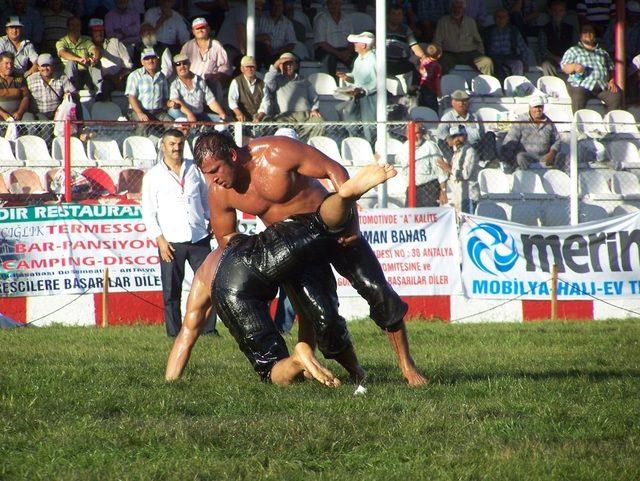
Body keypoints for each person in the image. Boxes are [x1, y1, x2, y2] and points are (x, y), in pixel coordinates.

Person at [193, 131, 427, 385]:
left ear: (232, 154)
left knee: (378, 291)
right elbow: (227, 237)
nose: (212, 178)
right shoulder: (219, 191)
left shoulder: (275, 152)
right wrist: (264, 261)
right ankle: (357, 373)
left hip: (333, 227)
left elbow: (334, 169)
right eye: (207, 173)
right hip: (296, 248)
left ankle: (407, 365)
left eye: (215, 169)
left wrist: (352, 224)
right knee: (324, 319)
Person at [165, 162, 397, 385]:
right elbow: (303, 310)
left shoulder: (206, 272)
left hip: (230, 285)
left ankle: (298, 361)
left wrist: (171, 381)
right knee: (315, 231)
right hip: (258, 256)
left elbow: (188, 333)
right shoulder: (239, 245)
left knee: (272, 369)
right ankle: (342, 198)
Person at [141, 129, 217, 338]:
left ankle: (208, 329)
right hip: (171, 241)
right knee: (171, 290)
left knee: (210, 286)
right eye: (172, 144)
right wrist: (160, 240)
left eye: (180, 144)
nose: (176, 148)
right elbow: (148, 212)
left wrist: (210, 219)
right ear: (163, 146)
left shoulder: (195, 169)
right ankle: (174, 333)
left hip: (198, 237)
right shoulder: (153, 176)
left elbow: (204, 198)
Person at [561, 23, 622, 113]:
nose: (588, 33)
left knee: (616, 96)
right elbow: (564, 67)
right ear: (580, 35)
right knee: (578, 95)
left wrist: (611, 81)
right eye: (585, 31)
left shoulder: (602, 52)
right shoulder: (573, 50)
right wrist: (574, 66)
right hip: (581, 85)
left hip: (601, 86)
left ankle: (608, 123)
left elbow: (611, 68)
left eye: (590, 31)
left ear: (594, 34)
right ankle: (578, 123)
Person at [263, 52, 324, 140]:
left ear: (296, 66)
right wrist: (277, 63)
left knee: (319, 122)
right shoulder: (275, 81)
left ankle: (309, 148)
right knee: (283, 128)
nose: (288, 66)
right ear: (280, 66)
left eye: (290, 63)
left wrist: (314, 109)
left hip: (305, 117)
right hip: (285, 118)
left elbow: (314, 98)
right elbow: (267, 79)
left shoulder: (304, 80)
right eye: (284, 64)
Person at [500, 96, 564, 171]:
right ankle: (526, 178)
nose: (538, 110)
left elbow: (557, 141)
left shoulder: (549, 123)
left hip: (544, 157)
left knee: (563, 157)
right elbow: (511, 139)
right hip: (526, 156)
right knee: (520, 157)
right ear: (530, 107)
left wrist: (551, 153)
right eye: (535, 107)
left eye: (540, 107)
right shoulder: (521, 120)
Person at [434, 0, 493, 75]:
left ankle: (485, 86)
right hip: (450, 54)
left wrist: (480, 53)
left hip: (470, 54)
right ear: (451, 8)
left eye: (459, 7)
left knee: (486, 62)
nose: (456, 10)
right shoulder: (443, 21)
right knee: (440, 63)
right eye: (454, 7)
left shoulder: (470, 21)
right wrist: (438, 54)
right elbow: (437, 41)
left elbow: (478, 41)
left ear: (463, 9)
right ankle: (441, 86)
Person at [336, 31, 377, 142]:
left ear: (363, 45)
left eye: (356, 43)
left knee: (369, 126)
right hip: (358, 96)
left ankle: (371, 149)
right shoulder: (359, 59)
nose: (354, 45)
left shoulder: (373, 60)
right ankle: (357, 143)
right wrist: (346, 77)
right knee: (351, 122)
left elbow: (377, 82)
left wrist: (364, 90)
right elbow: (356, 77)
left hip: (369, 98)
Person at [436, 89, 497, 162]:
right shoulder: (448, 117)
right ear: (453, 103)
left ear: (468, 103)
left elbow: (481, 134)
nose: (461, 103)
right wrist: (449, 139)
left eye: (464, 101)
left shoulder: (474, 116)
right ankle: (454, 162)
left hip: (475, 146)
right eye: (458, 101)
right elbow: (440, 133)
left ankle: (489, 162)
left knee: (490, 134)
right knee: (441, 142)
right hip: (458, 147)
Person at [167, 53, 229, 122]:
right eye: (178, 64)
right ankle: (194, 130)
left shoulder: (199, 80)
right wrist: (189, 114)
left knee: (224, 120)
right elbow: (175, 100)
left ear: (189, 64)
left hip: (200, 115)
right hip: (184, 115)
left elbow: (211, 101)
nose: (182, 66)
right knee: (173, 111)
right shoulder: (173, 82)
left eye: (185, 63)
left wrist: (221, 113)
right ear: (174, 67)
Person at [180, 17, 233, 95]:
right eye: (197, 28)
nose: (200, 30)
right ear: (193, 31)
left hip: (211, 86)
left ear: (208, 29)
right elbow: (180, 67)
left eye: (202, 27)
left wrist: (217, 76)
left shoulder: (216, 45)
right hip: (191, 85)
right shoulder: (187, 46)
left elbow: (226, 68)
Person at [125, 47, 172, 134]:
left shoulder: (162, 76)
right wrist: (140, 113)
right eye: (147, 58)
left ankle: (165, 145)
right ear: (142, 62)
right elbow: (131, 97)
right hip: (138, 111)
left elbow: (165, 99)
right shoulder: (135, 75)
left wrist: (170, 103)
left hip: (158, 112)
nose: (150, 61)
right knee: (143, 124)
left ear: (157, 60)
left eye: (153, 58)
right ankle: (140, 145)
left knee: (172, 124)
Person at [56, 16, 103, 93]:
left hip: (86, 74)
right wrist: (79, 59)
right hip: (72, 77)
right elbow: (62, 53)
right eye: (72, 25)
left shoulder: (86, 39)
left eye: (78, 25)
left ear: (81, 27)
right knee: (71, 63)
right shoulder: (61, 41)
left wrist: (95, 58)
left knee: (97, 63)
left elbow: (94, 49)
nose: (75, 28)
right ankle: (71, 92)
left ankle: (99, 92)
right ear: (67, 27)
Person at [89, 18, 132, 101]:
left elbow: (128, 64)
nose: (100, 33)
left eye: (101, 30)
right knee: (104, 86)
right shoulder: (88, 46)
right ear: (90, 32)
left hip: (120, 77)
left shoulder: (114, 42)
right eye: (96, 31)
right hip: (102, 81)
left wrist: (118, 76)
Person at [483, 8, 529, 81]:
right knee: (496, 65)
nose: (501, 19)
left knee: (518, 63)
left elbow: (523, 48)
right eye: (498, 17)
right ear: (494, 19)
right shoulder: (487, 31)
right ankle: (502, 88)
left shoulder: (514, 31)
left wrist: (525, 62)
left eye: (503, 17)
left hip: (510, 56)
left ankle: (517, 86)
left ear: (507, 19)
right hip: (494, 58)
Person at [27, 53, 76, 120]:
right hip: (38, 114)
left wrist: (68, 94)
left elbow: (73, 93)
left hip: (57, 114)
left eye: (48, 65)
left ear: (53, 66)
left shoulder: (62, 78)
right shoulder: (30, 79)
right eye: (43, 66)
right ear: (38, 67)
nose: (45, 68)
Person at [441, 126, 479, 214]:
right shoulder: (457, 153)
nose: (457, 139)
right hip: (458, 196)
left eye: (460, 136)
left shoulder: (469, 151)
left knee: (468, 224)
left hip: (468, 196)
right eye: (454, 137)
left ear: (465, 136)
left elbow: (465, 174)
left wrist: (448, 168)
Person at [313, 0, 354, 78]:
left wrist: (348, 51)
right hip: (326, 51)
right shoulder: (321, 19)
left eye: (336, 3)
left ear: (340, 4)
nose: (333, 6)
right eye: (331, 3)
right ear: (327, 5)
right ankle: (332, 83)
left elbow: (351, 39)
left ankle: (356, 82)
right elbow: (321, 43)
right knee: (330, 59)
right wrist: (338, 53)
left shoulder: (347, 18)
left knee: (356, 59)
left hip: (344, 49)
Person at [537, 0, 578, 78]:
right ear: (550, 11)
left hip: (568, 60)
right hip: (552, 60)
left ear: (564, 12)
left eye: (560, 10)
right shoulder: (544, 29)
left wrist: (566, 59)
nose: (557, 13)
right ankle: (553, 87)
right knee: (546, 64)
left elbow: (576, 48)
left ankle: (572, 87)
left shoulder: (571, 29)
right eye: (554, 10)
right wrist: (557, 59)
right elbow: (543, 50)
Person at [409, 133, 449, 207]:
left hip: (429, 188)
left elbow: (440, 170)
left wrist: (443, 190)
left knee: (429, 215)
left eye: (417, 133)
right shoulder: (404, 148)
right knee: (411, 215)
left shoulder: (430, 146)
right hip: (411, 188)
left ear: (422, 133)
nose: (414, 136)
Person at [228, 55, 268, 123]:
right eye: (247, 67)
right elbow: (231, 101)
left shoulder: (263, 84)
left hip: (258, 120)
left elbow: (266, 103)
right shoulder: (236, 82)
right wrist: (239, 113)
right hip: (240, 120)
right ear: (242, 69)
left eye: (252, 67)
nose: (250, 69)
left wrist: (259, 117)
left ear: (255, 68)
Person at [256, 0, 297, 65]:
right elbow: (251, 38)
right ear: (270, 6)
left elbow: (291, 43)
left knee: (295, 59)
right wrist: (264, 38)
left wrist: (280, 51)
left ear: (283, 7)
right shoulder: (260, 18)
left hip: (279, 54)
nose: (277, 8)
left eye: (279, 5)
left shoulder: (287, 23)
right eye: (274, 5)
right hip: (262, 53)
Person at [0, 52, 29, 122]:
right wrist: (4, 115)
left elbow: (26, 97)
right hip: (1, 115)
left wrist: (19, 112)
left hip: (18, 114)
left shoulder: (19, 78)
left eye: (11, 63)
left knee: (30, 119)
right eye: (6, 63)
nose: (9, 66)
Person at [417, 43, 442, 112]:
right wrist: (439, 92)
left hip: (422, 87)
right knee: (432, 108)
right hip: (431, 89)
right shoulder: (437, 66)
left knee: (421, 105)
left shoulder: (423, 61)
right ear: (439, 55)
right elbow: (437, 80)